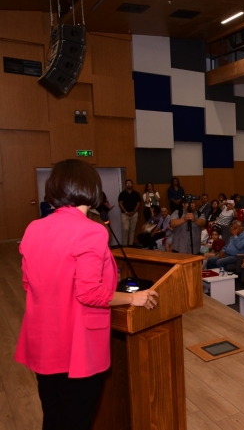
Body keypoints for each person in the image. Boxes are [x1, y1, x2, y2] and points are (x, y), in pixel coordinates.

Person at [15, 159, 159, 429]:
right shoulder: (91, 230)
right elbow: (89, 293)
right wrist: (133, 297)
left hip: (44, 340)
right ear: (92, 188)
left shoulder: (34, 228)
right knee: (77, 421)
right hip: (77, 345)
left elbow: (28, 284)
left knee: (54, 418)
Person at [118, 179, 141, 246]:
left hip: (134, 214)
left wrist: (134, 212)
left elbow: (138, 203)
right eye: (127, 184)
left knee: (132, 229)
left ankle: (131, 244)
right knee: (125, 229)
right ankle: (124, 244)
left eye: (130, 183)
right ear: (125, 185)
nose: (129, 185)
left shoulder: (136, 194)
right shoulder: (122, 194)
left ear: (132, 184)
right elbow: (120, 204)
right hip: (125, 214)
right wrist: (126, 212)